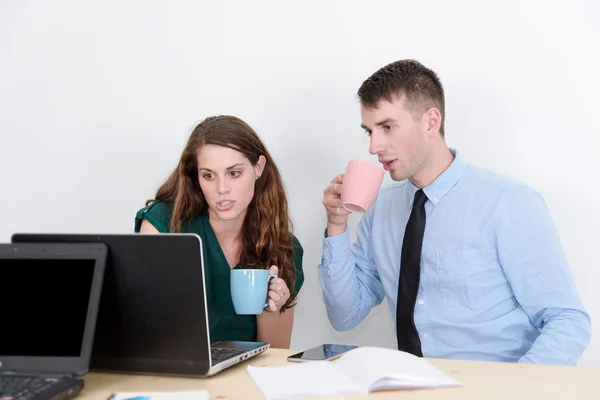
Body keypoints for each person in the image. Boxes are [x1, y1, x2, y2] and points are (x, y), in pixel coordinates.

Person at [319, 59, 590, 365]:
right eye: (369, 131)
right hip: (411, 385)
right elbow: (345, 315)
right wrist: (337, 226)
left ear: (431, 122)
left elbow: (566, 320)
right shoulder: (381, 210)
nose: (374, 146)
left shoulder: (509, 204)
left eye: (387, 127)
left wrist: (511, 391)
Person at [135, 115, 304, 349]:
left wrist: (270, 311)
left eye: (234, 173)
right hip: (176, 371)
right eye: (209, 176)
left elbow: (275, 355)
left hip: (246, 377)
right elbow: (141, 326)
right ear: (197, 177)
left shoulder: (284, 246)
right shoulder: (164, 224)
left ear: (258, 167)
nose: (222, 189)